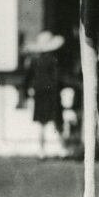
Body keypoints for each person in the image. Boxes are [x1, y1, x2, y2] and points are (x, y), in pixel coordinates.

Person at [22, 30, 66, 158]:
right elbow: (58, 78)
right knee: (57, 120)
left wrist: (26, 92)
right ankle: (62, 148)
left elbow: (28, 78)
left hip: (39, 93)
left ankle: (41, 150)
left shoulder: (35, 61)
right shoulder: (54, 61)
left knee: (41, 122)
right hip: (52, 93)